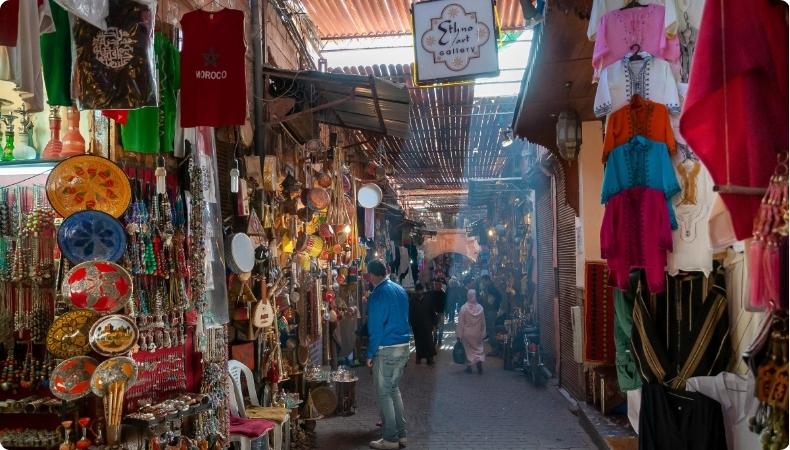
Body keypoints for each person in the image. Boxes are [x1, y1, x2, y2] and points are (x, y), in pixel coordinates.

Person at [366, 259, 411, 450]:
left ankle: (390, 438)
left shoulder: (378, 294)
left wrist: (370, 353)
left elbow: (375, 328)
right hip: (403, 345)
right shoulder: (399, 290)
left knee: (384, 393)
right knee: (393, 390)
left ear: (371, 275)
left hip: (387, 348)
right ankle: (402, 435)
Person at [456, 289, 486, 374]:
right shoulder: (480, 308)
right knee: (478, 349)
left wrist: (459, 335)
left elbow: (461, 323)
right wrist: (483, 332)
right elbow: (483, 322)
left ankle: (469, 367)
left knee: (468, 350)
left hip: (467, 333)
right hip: (477, 333)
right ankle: (479, 363)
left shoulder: (464, 308)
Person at [408, 283, 437, 365]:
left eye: (420, 291)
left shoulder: (428, 299)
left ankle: (430, 358)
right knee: (418, 342)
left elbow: (432, 312)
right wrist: (411, 323)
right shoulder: (412, 300)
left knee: (429, 342)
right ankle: (419, 358)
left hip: (427, 325)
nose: (419, 292)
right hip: (417, 326)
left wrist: (434, 324)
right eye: (418, 291)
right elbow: (410, 313)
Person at [478, 275, 503, 356]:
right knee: (490, 330)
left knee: (491, 330)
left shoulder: (490, 287)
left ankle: (495, 349)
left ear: (487, 280)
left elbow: (499, 297)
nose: (482, 283)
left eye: (483, 281)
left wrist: (495, 305)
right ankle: (496, 349)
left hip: (491, 311)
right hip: (490, 310)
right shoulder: (490, 287)